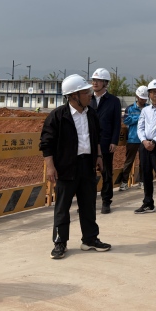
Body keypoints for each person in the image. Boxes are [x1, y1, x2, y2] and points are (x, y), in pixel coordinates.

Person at [40, 74, 111, 259]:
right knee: (62, 207)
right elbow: (46, 144)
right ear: (73, 96)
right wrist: (50, 167)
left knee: (88, 204)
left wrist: (99, 156)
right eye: (85, 92)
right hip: (66, 167)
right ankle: (60, 242)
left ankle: (90, 239)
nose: (90, 94)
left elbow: (96, 137)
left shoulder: (91, 114)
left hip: (87, 165)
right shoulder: (57, 116)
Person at [90, 68, 122, 214]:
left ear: (105, 83)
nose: (94, 83)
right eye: (93, 80)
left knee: (106, 173)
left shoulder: (113, 101)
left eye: (98, 80)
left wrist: (114, 141)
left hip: (106, 143)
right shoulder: (87, 99)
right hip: (89, 143)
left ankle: (106, 201)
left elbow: (116, 123)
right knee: (88, 174)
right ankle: (88, 202)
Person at [135, 79, 156, 217]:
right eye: (153, 92)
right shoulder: (145, 110)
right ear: (149, 94)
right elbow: (140, 127)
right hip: (145, 146)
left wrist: (154, 141)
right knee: (146, 175)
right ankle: (148, 202)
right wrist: (144, 141)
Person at [119, 86, 148, 191]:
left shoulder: (149, 108)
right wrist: (140, 117)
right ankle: (124, 182)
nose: (143, 100)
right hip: (133, 138)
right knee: (129, 161)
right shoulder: (130, 108)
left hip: (144, 139)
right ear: (137, 96)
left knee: (143, 162)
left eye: (145, 98)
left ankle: (142, 181)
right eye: (141, 98)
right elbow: (126, 120)